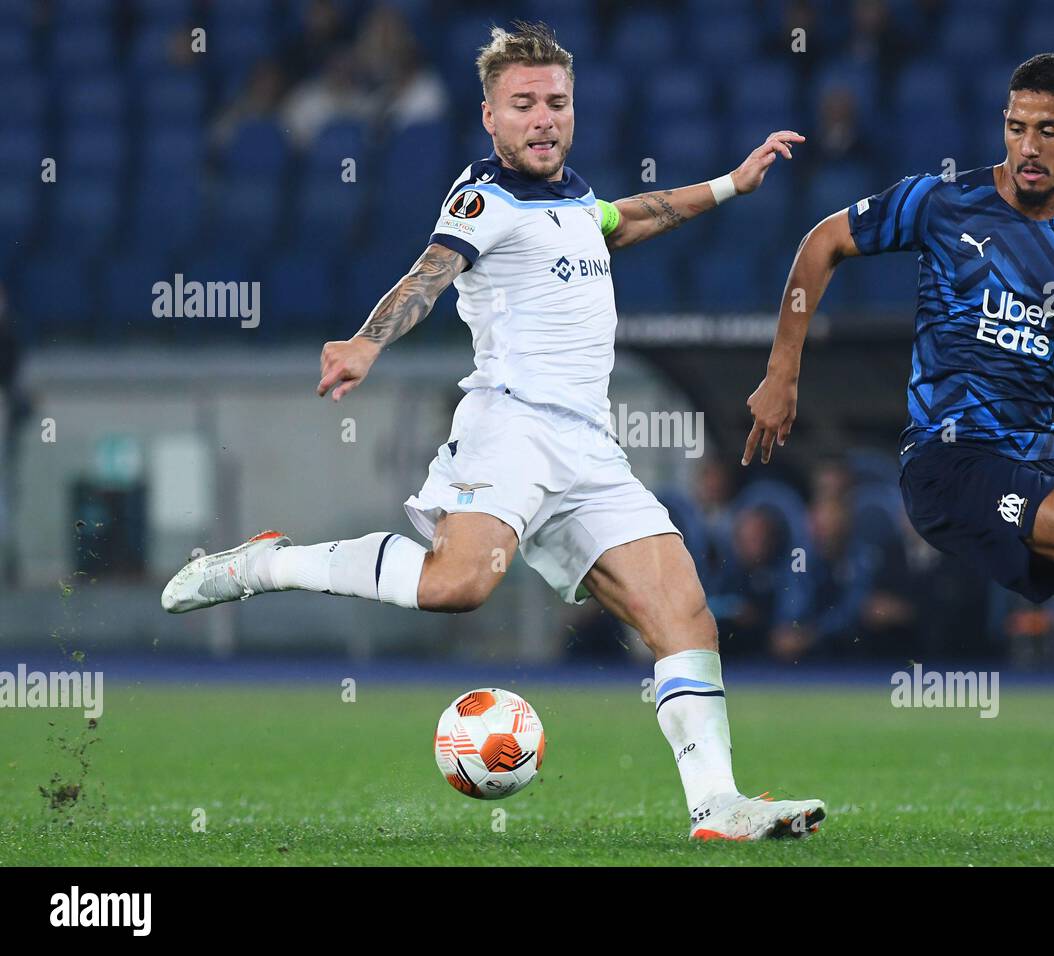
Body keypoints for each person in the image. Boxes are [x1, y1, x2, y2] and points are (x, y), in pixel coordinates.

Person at [162, 22, 823, 842]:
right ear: (490, 118)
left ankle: (717, 805)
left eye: (556, 102)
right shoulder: (485, 198)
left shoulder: (573, 195)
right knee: (457, 588)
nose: (543, 118)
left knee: (684, 614)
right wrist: (369, 340)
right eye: (524, 105)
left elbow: (622, 222)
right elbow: (430, 271)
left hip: (588, 443)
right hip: (509, 428)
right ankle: (268, 561)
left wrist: (731, 183)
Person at [744, 54, 1054, 841]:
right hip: (948, 459)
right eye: (1016, 127)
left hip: (1037, 455)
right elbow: (821, 244)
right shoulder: (943, 203)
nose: (1027, 146)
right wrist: (782, 370)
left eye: (1047, 130)